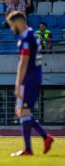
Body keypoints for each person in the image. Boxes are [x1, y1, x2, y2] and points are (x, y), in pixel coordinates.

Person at [6, 11, 54, 157]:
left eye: (12, 25)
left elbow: (23, 62)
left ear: (18, 22)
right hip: (35, 76)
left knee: (24, 112)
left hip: (29, 78)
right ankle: (46, 137)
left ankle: (28, 149)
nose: (11, 28)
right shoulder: (33, 33)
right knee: (21, 112)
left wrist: (17, 84)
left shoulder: (26, 37)